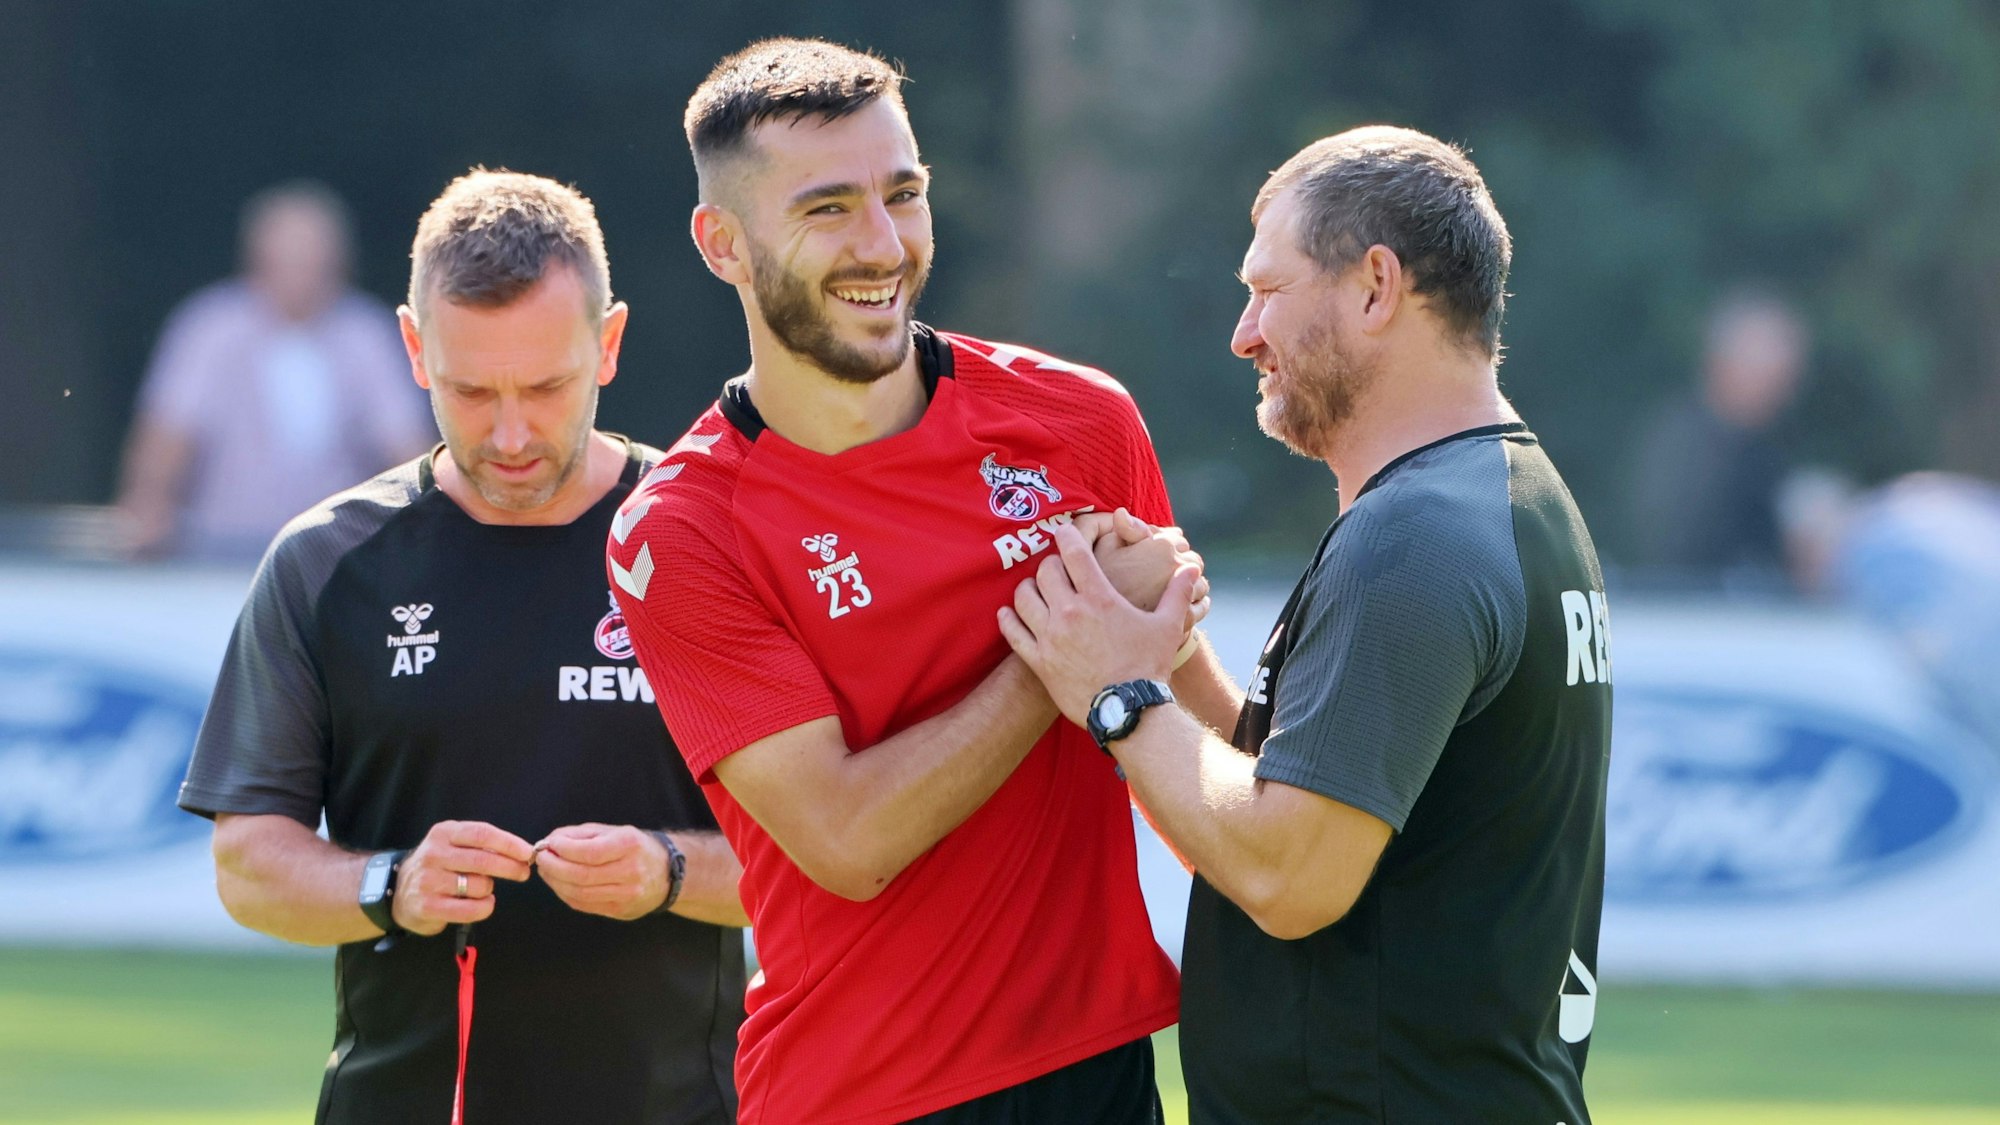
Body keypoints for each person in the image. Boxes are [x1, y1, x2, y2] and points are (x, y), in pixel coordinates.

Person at [607, 38, 1203, 1125]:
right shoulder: (680, 530)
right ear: (722, 243)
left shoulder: (1080, 421)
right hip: (855, 1095)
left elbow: (1184, 730)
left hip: (1099, 1074)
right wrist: (1061, 647)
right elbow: (847, 843)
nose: (880, 244)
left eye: (902, 193)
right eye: (827, 207)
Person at [999, 126, 1612, 1123]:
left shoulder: (1412, 537)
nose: (1243, 334)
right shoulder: (1504, 498)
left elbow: (1289, 877)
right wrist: (1165, 651)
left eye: (1267, 291)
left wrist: (1115, 697)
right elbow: (1277, 814)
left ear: (1375, 287)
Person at [177, 169, 747, 1125]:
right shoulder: (326, 563)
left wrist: (669, 868)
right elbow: (247, 864)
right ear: (412, 347)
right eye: (472, 390)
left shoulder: (712, 543)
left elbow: (822, 856)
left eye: (547, 386)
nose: (512, 432)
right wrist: (390, 883)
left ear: (607, 345)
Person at [117, 180, 432, 561]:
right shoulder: (209, 328)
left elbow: (405, 446)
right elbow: (167, 434)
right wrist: (148, 507)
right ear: (256, 259)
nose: (299, 275)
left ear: (339, 264)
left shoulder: (367, 335)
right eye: (286, 260)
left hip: (335, 554)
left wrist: (424, 523)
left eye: (311, 262)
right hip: (217, 552)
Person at [1629, 287, 1808, 577]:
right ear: (1723, 364)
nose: (1784, 388)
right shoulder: (1687, 451)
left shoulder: (1759, 447)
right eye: (1767, 368)